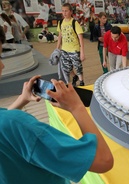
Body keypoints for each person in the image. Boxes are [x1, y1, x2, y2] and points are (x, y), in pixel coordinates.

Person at [0, 25, 113, 184]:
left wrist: (22, 100)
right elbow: (103, 160)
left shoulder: (8, 122)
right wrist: (77, 107)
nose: (3, 65)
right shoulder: (19, 125)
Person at [56, 3, 85, 86]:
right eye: (63, 11)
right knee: (67, 67)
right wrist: (57, 48)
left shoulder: (75, 23)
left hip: (74, 49)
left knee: (77, 66)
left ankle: (81, 81)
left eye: (66, 11)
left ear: (71, 12)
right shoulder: (60, 22)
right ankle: (74, 77)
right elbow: (60, 36)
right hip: (64, 49)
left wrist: (82, 52)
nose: (64, 13)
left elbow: (80, 38)